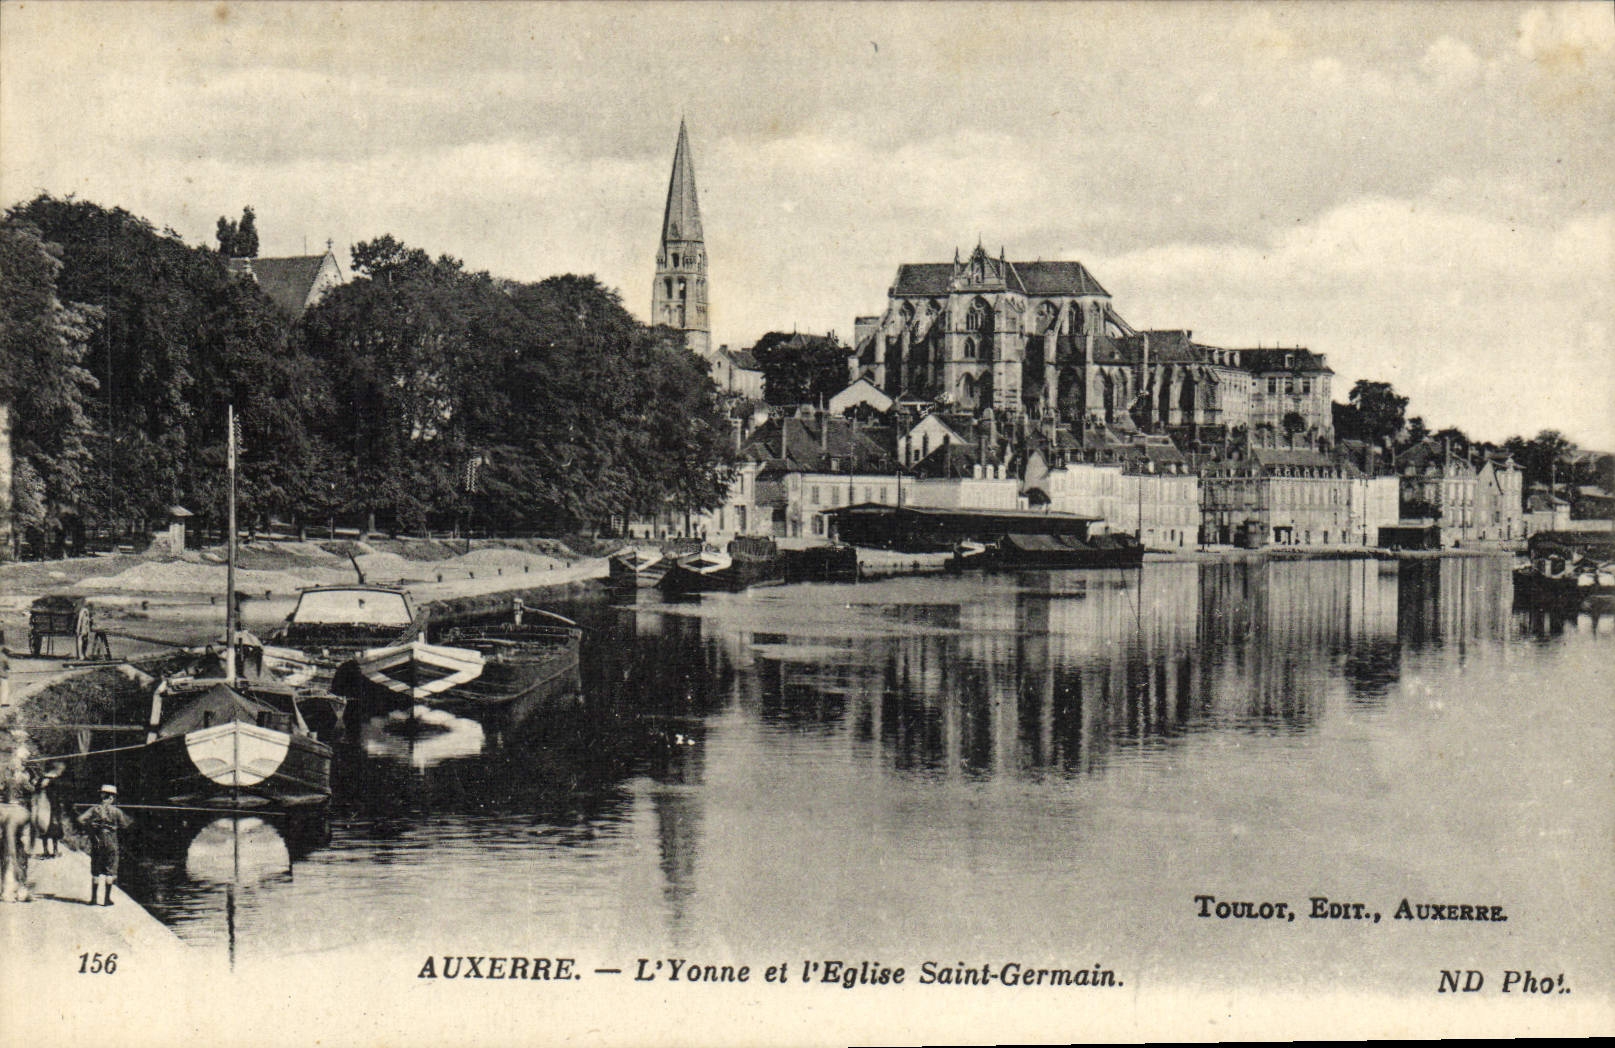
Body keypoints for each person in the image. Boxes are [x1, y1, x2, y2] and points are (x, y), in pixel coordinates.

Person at [76, 785, 132, 906]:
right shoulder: (116, 811)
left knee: (96, 871)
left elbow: (80, 819)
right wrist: (114, 825)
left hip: (97, 842)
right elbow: (125, 825)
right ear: (111, 798)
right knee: (110, 871)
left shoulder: (94, 809)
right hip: (111, 843)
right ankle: (106, 900)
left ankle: (94, 899)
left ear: (101, 795)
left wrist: (92, 825)